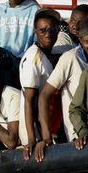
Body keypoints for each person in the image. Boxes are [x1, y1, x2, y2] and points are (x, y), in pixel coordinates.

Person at [38, 17, 88, 152]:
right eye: (86, 42)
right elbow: (45, 95)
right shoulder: (70, 58)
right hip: (77, 134)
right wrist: (46, 136)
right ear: (80, 40)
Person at [18, 8, 61, 157]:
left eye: (52, 29)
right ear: (35, 31)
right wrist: (32, 139)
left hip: (47, 127)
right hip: (37, 133)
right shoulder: (33, 58)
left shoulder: (47, 54)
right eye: (43, 30)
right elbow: (29, 100)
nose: (48, 33)